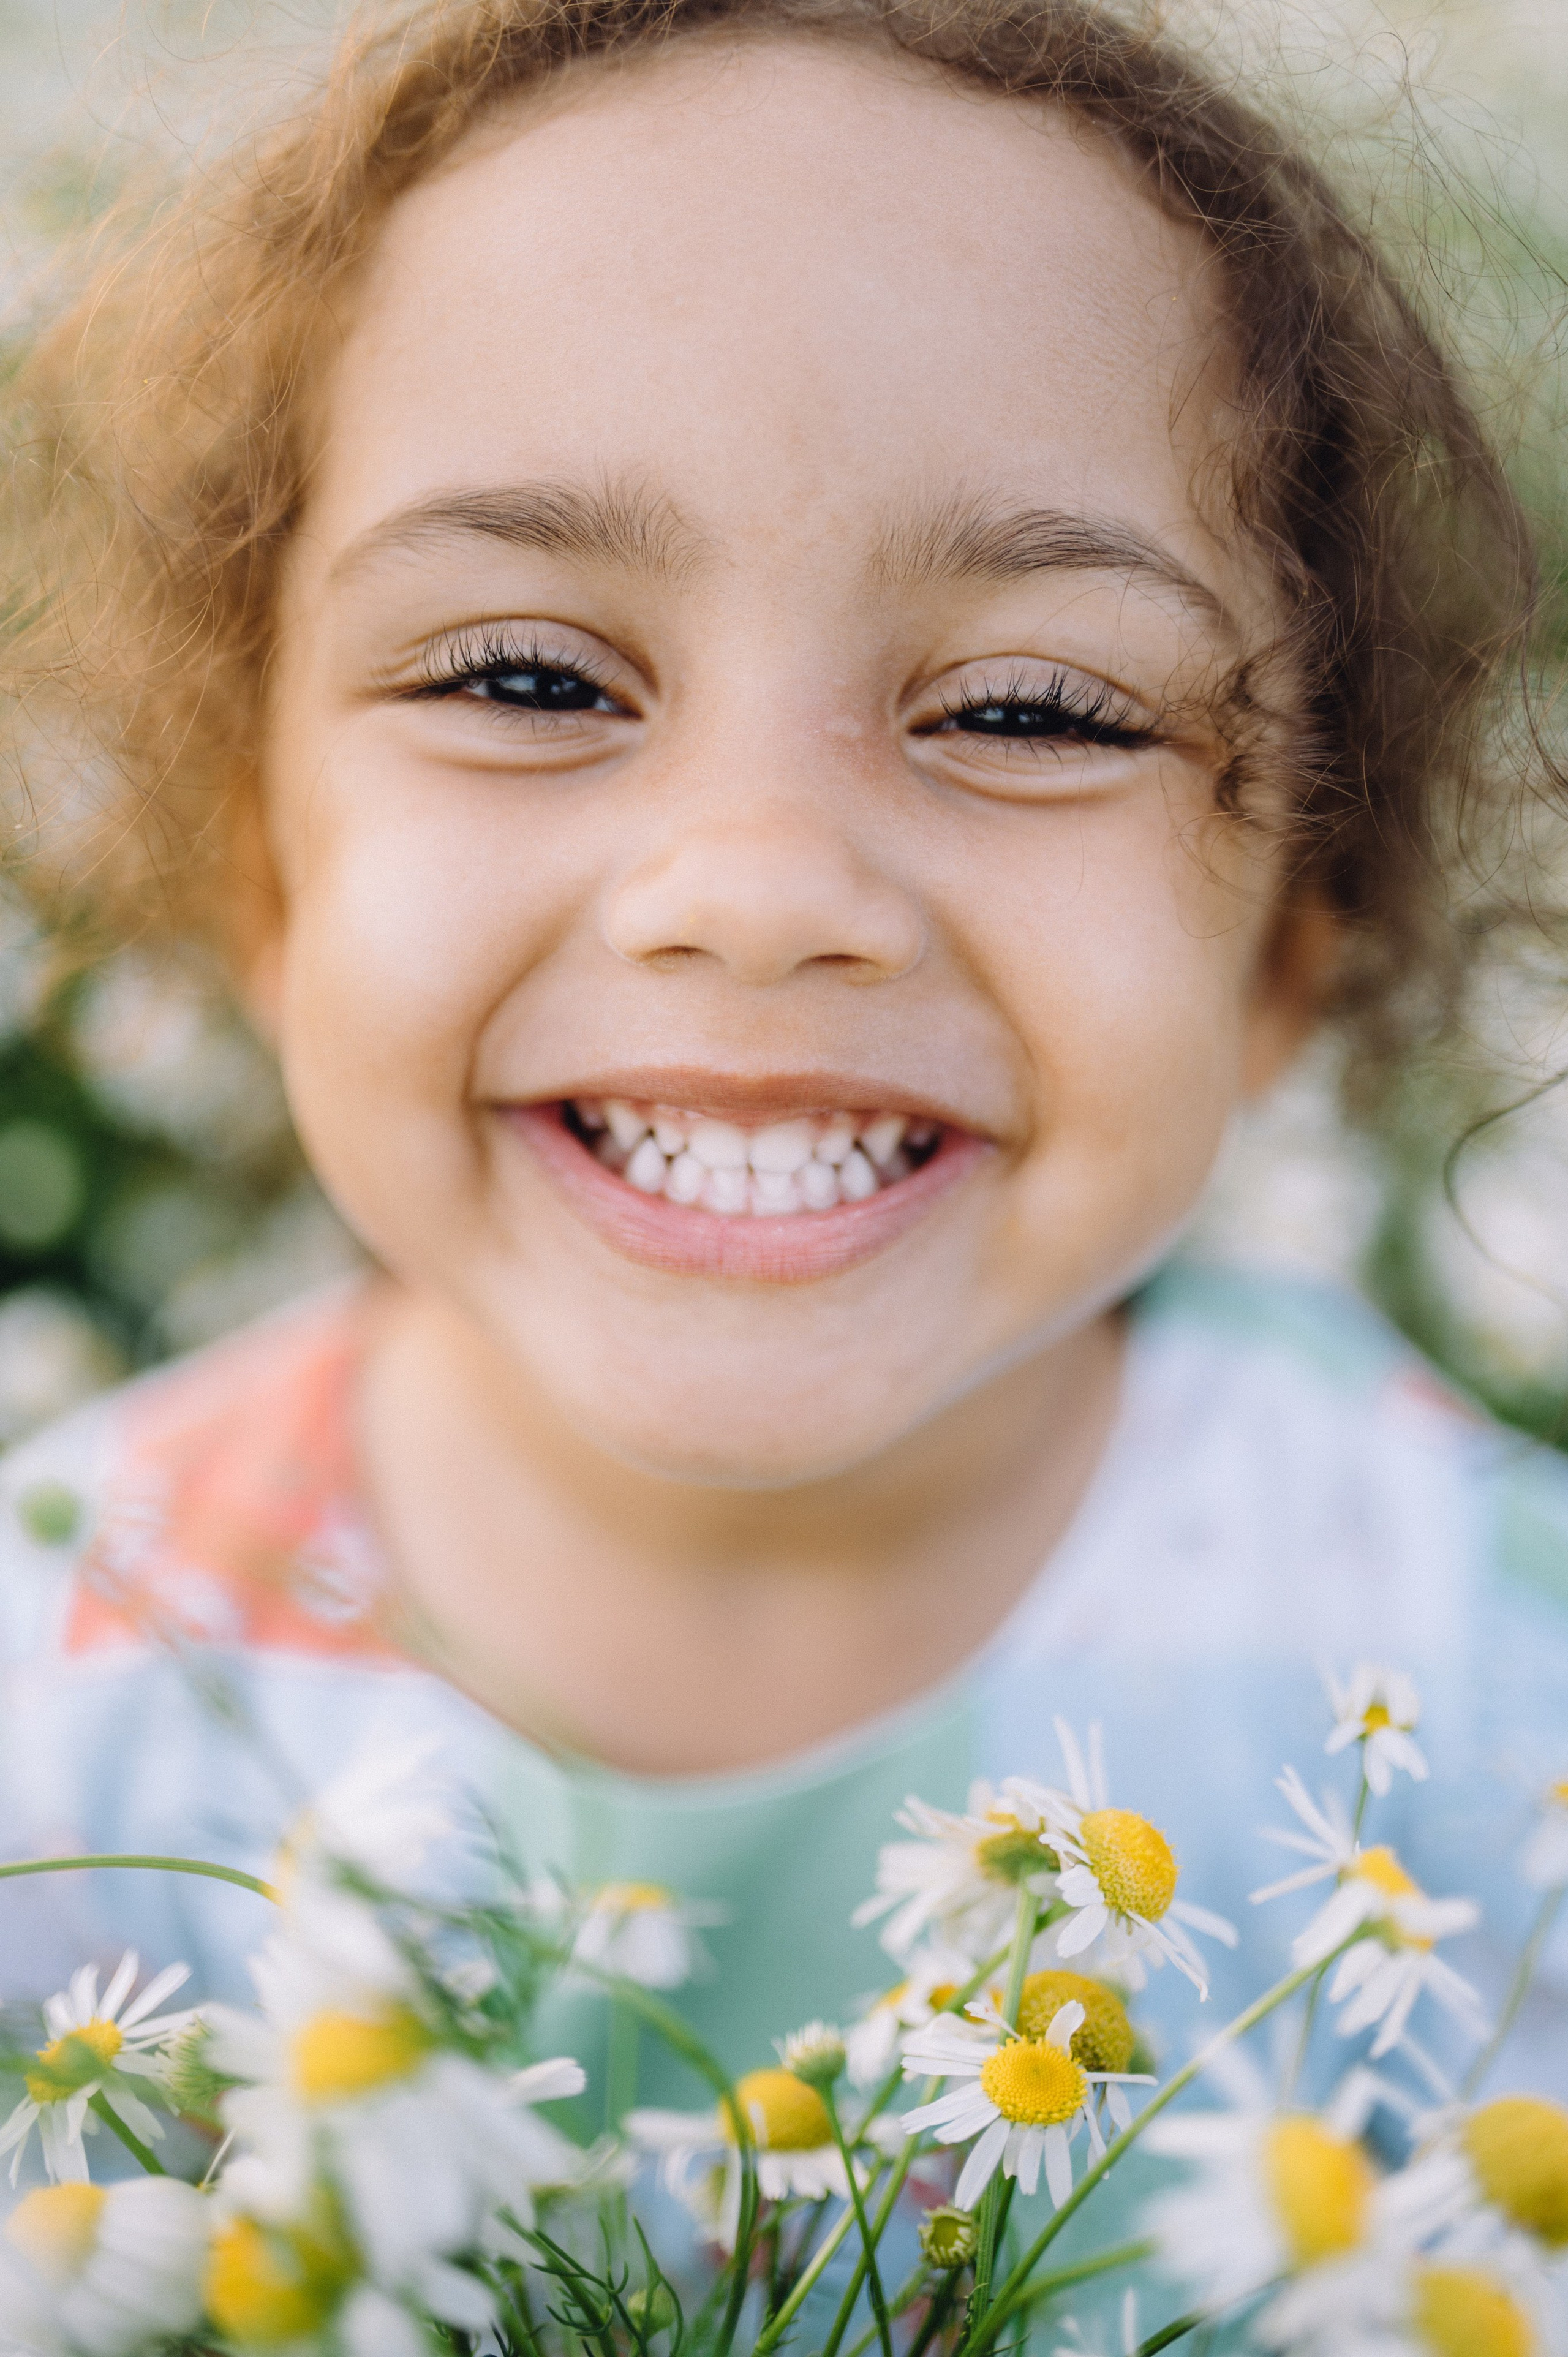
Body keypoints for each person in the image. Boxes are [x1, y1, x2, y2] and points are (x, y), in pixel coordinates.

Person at [0, 0, 1562, 2213]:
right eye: (527, 678)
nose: (757, 887)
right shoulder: (69, 1724)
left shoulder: (1496, 1714)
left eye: (1031, 709)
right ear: (266, 876)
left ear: (1290, 950)